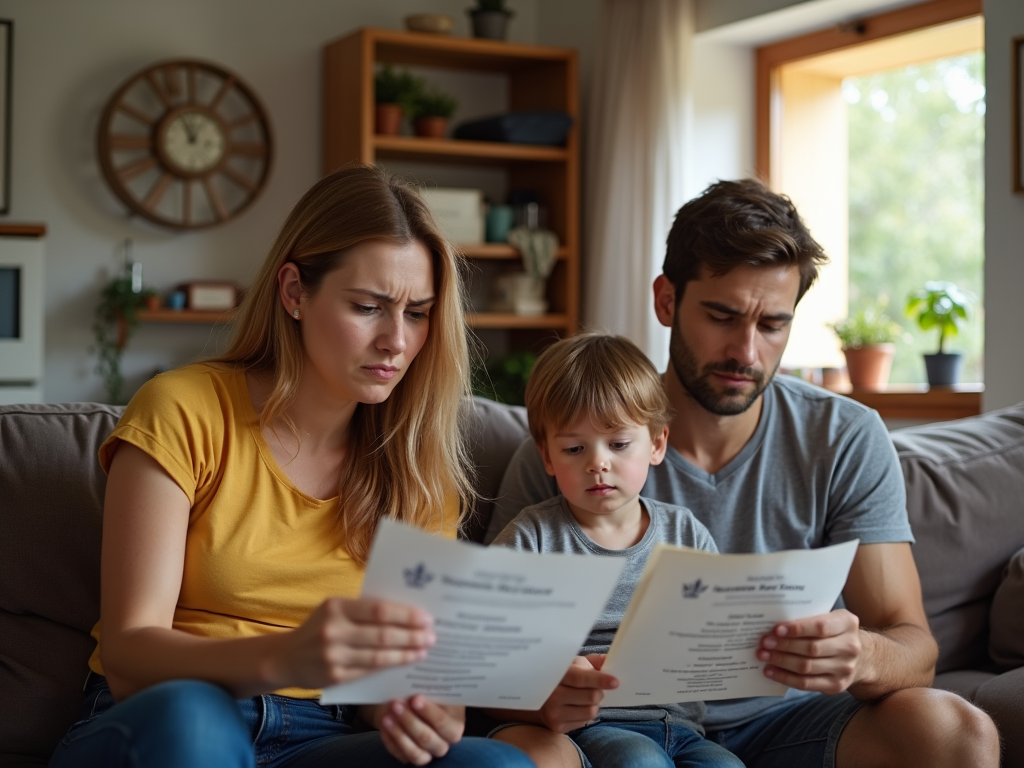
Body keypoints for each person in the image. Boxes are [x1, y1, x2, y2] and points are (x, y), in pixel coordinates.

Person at [484, 179, 1000, 768]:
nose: (746, 352)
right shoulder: (574, 448)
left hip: (791, 719)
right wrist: (543, 695)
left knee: (959, 731)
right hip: (613, 729)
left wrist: (862, 656)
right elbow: (494, 657)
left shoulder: (845, 436)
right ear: (667, 300)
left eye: (773, 324)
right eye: (722, 316)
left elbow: (913, 644)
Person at [49, 165, 535, 768]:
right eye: (368, 306)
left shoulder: (417, 465)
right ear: (294, 293)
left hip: (322, 737)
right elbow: (128, 656)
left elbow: (399, 683)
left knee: (496, 765)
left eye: (417, 313)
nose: (396, 341)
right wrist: (285, 656)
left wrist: (419, 708)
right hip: (170, 718)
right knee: (195, 728)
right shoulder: (184, 409)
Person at [488, 333, 746, 768]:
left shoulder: (685, 533)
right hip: (588, 727)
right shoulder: (532, 537)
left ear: (657, 444)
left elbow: (719, 634)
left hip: (680, 727)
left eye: (619, 444)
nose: (598, 463)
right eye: (574, 448)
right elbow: (485, 646)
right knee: (640, 761)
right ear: (547, 457)